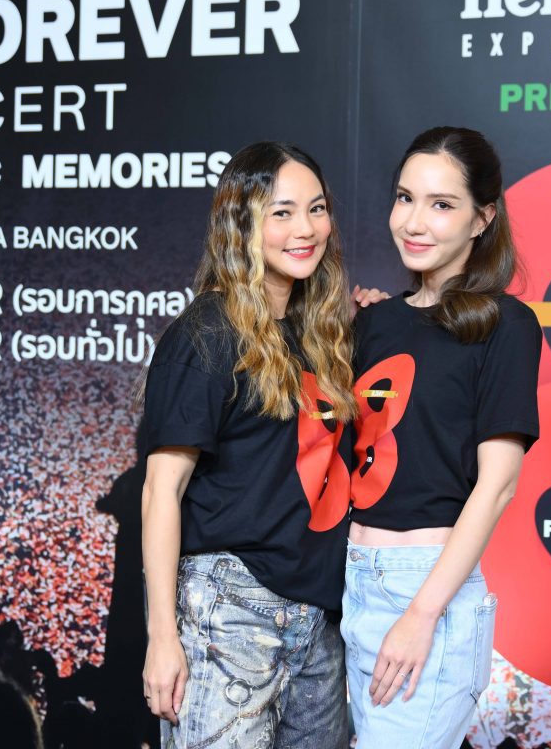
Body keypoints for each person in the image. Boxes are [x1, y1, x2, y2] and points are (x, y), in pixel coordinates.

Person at [140, 142, 356, 748]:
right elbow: (161, 491)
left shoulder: (320, 334)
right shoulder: (206, 334)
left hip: (318, 623)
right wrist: (162, 636)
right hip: (229, 613)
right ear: (242, 224)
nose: (305, 229)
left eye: (316, 209)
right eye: (281, 212)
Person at [343, 127, 542, 747]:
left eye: (442, 204)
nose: (414, 222)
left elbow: (498, 486)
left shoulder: (505, 325)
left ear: (483, 218)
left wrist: (422, 613)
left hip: (426, 585)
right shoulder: (372, 321)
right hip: (347, 580)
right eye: (405, 198)